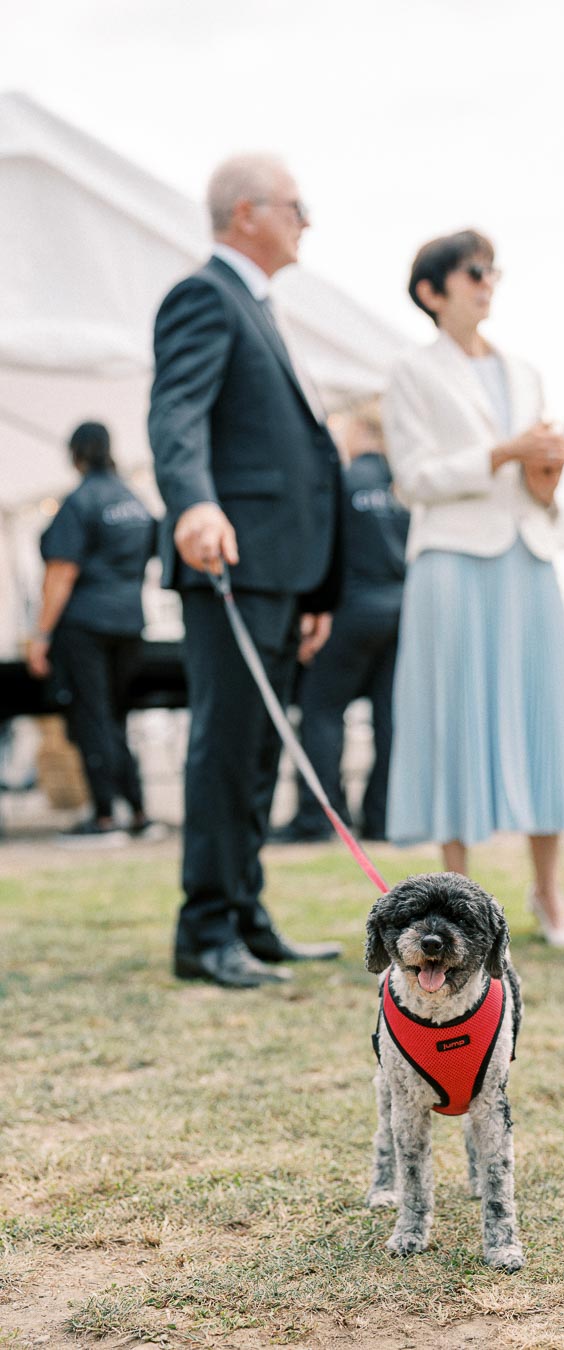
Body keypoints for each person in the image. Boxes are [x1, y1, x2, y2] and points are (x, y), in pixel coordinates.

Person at [148, 153, 344, 988]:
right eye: (297, 205)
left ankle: (247, 912)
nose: (308, 220)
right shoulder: (205, 295)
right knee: (226, 747)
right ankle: (206, 929)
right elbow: (176, 412)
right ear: (247, 213)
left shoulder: (263, 307)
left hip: (284, 574)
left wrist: (318, 586)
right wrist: (193, 502)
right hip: (231, 562)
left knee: (261, 749)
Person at [382, 229, 564, 949]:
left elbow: (533, 487)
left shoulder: (526, 371)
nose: (487, 282)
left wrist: (546, 472)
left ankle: (550, 894)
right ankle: (454, 905)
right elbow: (414, 479)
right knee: (455, 723)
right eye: (474, 272)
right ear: (432, 292)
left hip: (527, 555)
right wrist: (505, 451)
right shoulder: (410, 372)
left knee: (547, 722)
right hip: (452, 561)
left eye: (492, 271)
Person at [270, 399, 410, 843]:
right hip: (400, 610)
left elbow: (319, 549)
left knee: (322, 710)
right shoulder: (406, 488)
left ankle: (321, 817)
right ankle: (384, 816)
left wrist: (311, 609)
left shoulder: (343, 481)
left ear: (359, 432)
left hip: (350, 609)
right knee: (389, 718)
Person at [26, 422, 158, 843]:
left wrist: (41, 634)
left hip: (86, 625)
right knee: (117, 717)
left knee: (92, 717)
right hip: (130, 623)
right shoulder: (133, 501)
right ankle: (137, 811)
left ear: (76, 454)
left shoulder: (79, 501)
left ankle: (104, 818)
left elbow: (61, 572)